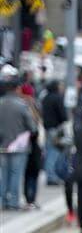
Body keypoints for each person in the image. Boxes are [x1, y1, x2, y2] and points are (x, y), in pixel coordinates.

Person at [0, 77, 37, 210]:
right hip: (19, 146)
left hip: (2, 145)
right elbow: (32, 127)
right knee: (16, 174)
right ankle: (13, 202)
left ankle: (2, 201)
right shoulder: (21, 105)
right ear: (17, 89)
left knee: (3, 174)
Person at [41, 80, 68, 186]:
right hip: (56, 129)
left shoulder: (45, 98)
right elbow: (63, 116)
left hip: (47, 128)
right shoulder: (57, 98)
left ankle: (50, 175)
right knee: (54, 152)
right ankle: (52, 176)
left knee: (49, 152)